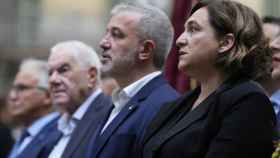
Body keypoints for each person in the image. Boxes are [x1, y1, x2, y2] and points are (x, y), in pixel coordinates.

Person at [142, 0, 275, 158]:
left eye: (193, 29)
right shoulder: (177, 105)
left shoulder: (249, 101)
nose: (179, 40)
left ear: (225, 43)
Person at [86, 3, 180, 158]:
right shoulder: (117, 101)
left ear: (145, 50)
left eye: (116, 34)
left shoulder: (166, 107)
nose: (103, 43)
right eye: (106, 33)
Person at [47, 41, 112, 158]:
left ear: (91, 76)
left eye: (63, 70)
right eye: (50, 73)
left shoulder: (110, 116)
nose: (53, 80)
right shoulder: (57, 125)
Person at [7, 58, 59, 158]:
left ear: (48, 96)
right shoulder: (26, 134)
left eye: (22, 88)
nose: (12, 96)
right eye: (13, 88)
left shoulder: (59, 134)